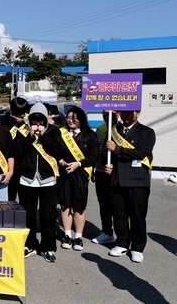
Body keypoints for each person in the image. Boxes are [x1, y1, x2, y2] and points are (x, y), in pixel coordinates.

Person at [105, 110, 155, 263]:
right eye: (123, 113)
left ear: (138, 113)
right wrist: (108, 165)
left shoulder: (146, 132)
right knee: (119, 214)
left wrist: (117, 149)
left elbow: (140, 153)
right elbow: (105, 152)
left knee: (137, 216)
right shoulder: (114, 131)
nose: (126, 116)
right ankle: (122, 243)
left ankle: (137, 247)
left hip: (137, 181)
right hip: (117, 179)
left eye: (129, 113)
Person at [17, 102, 63, 263]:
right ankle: (30, 244)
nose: (37, 125)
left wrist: (43, 136)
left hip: (48, 180)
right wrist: (30, 136)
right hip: (27, 180)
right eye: (34, 121)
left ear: (45, 120)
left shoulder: (54, 131)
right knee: (28, 215)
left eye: (40, 121)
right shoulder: (23, 132)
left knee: (48, 215)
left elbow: (57, 150)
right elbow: (17, 151)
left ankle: (48, 247)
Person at [57, 106, 98, 252]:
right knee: (65, 205)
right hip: (64, 175)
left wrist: (78, 164)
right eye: (68, 118)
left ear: (81, 119)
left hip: (80, 175)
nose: (71, 121)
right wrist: (60, 160)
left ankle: (78, 237)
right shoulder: (61, 133)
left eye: (74, 118)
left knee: (79, 207)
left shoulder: (90, 136)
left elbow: (94, 157)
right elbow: (55, 151)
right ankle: (67, 235)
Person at [92, 110, 118, 245]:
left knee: (117, 205)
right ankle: (107, 232)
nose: (106, 115)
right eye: (104, 112)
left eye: (110, 112)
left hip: (116, 174)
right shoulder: (100, 129)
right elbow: (97, 151)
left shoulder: (120, 130)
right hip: (101, 172)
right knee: (103, 204)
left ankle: (122, 237)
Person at [0, 96, 30, 202]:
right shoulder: (2, 123)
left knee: (25, 199)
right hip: (7, 166)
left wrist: (23, 123)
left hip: (25, 166)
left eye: (21, 114)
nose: (18, 116)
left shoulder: (28, 123)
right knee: (8, 199)